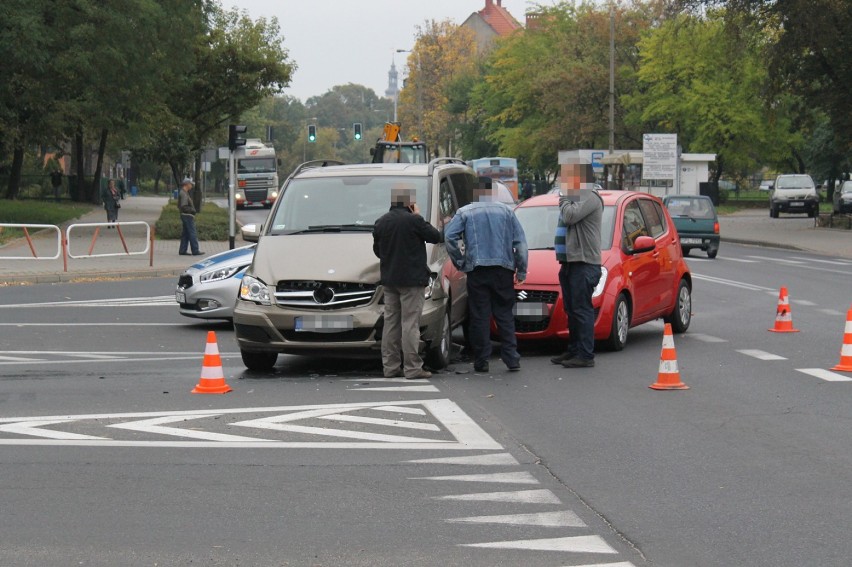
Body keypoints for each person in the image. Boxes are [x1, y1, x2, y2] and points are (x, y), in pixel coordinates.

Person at [445, 178, 528, 373]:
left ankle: (482, 360)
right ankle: (511, 358)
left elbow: (450, 237)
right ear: (493, 192)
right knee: (504, 314)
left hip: (477, 270)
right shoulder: (507, 212)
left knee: (480, 316)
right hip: (503, 270)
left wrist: (461, 261)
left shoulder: (465, 212)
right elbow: (520, 244)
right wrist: (521, 270)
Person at [372, 184, 442, 380]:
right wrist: (418, 215)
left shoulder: (381, 222)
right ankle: (412, 368)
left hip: (389, 280)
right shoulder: (414, 221)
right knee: (410, 324)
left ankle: (390, 367)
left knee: (391, 323)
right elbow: (435, 236)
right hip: (412, 281)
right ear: (410, 202)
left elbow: (378, 251)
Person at [551, 162, 603, 368]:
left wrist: (563, 197)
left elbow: (570, 216)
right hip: (570, 262)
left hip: (584, 263)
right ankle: (573, 349)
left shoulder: (589, 196)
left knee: (581, 309)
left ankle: (586, 354)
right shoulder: (576, 198)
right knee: (572, 309)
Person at [178, 178, 204, 256]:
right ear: (186, 184)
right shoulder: (183, 193)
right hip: (187, 216)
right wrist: (192, 211)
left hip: (185, 215)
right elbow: (184, 206)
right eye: (190, 184)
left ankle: (182, 250)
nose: (191, 185)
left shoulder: (184, 192)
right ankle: (195, 250)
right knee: (192, 233)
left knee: (185, 234)